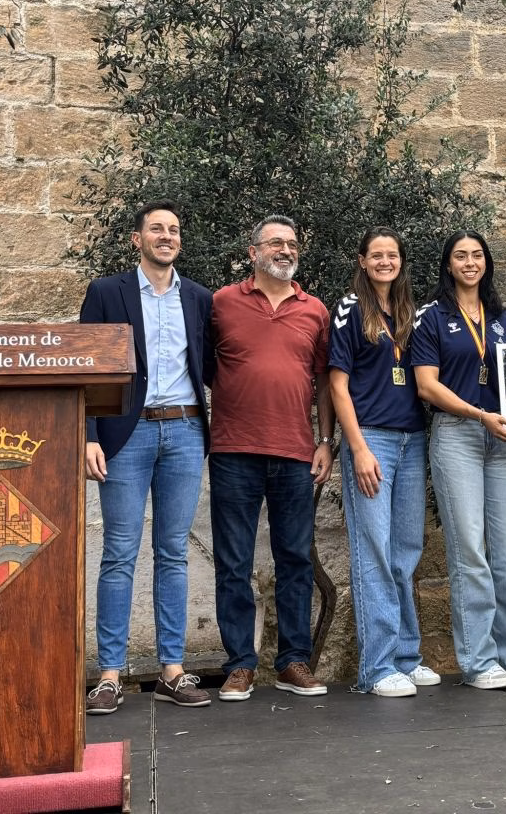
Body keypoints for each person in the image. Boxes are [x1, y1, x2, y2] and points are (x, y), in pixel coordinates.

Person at [81, 199, 213, 714]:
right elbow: (87, 366)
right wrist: (90, 432)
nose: (166, 236)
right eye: (156, 229)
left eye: (174, 229)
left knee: (173, 552)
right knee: (119, 552)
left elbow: (215, 366)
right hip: (124, 436)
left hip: (183, 432)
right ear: (137, 239)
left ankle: (172, 671)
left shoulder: (198, 298)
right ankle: (110, 675)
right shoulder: (107, 291)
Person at [209, 214, 335, 701]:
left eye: (292, 243)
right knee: (234, 562)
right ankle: (240, 665)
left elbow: (324, 380)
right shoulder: (222, 303)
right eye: (275, 243)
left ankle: (293, 662)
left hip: (294, 452)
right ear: (253, 252)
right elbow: (202, 364)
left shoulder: (314, 310)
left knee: (295, 559)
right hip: (233, 451)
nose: (285, 249)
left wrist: (326, 440)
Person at [411, 231, 506, 690]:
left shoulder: (503, 319)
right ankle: (479, 660)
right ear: (448, 264)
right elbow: (427, 386)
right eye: (460, 256)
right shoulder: (432, 317)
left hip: (501, 441)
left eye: (477, 255)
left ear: (486, 263)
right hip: (457, 437)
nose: (470, 262)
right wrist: (477, 414)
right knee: (469, 551)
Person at [328, 228, 440, 698]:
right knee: (373, 550)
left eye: (392, 255)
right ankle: (376, 668)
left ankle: (406, 656)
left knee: (405, 552)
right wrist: (357, 449)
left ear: (401, 262)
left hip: (412, 440)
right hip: (371, 440)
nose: (385, 262)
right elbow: (337, 385)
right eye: (377, 255)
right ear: (362, 260)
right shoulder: (350, 309)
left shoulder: (413, 313)